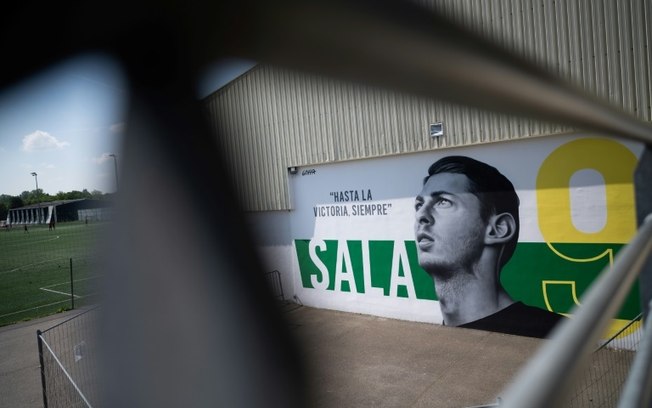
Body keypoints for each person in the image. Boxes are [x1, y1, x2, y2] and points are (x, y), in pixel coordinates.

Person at [414, 155, 564, 338]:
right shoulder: (446, 338)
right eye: (419, 205)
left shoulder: (558, 335)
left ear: (498, 229)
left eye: (443, 201)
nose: (421, 215)